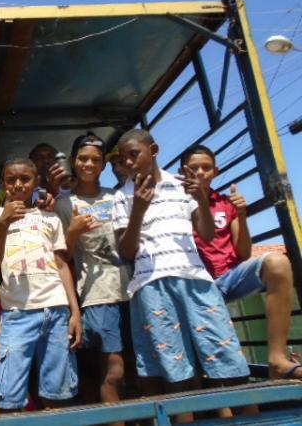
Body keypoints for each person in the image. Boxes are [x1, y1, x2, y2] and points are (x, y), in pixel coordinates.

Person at [112, 129, 250, 422]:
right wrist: (138, 209)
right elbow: (126, 251)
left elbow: (207, 234)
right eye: (124, 157)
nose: (128, 161)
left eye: (133, 154)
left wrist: (201, 200)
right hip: (151, 285)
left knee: (225, 357)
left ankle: (250, 419)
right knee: (176, 370)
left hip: (196, 281)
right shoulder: (122, 197)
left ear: (154, 150)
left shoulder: (181, 185)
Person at [180, 144, 299, 379]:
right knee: (215, 352)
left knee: (278, 263)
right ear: (183, 172)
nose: (201, 172)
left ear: (216, 171)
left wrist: (241, 215)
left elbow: (243, 253)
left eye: (206, 167)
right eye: (194, 168)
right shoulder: (174, 205)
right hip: (195, 286)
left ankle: (277, 358)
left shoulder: (226, 204)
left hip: (229, 277)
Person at [0, 157, 82, 411]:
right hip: (17, 313)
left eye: (25, 179)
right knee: (9, 395)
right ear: (2, 184)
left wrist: (75, 311)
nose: (17, 185)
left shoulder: (51, 219)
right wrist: (4, 224)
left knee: (57, 393)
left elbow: (61, 265)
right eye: (10, 180)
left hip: (57, 310)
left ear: (36, 182)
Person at [55, 133, 129, 418]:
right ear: (74, 162)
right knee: (112, 371)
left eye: (95, 160)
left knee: (136, 368)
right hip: (97, 295)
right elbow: (63, 259)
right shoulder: (64, 204)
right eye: (83, 159)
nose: (89, 164)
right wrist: (72, 233)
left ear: (103, 165)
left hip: (131, 290)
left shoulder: (117, 196)